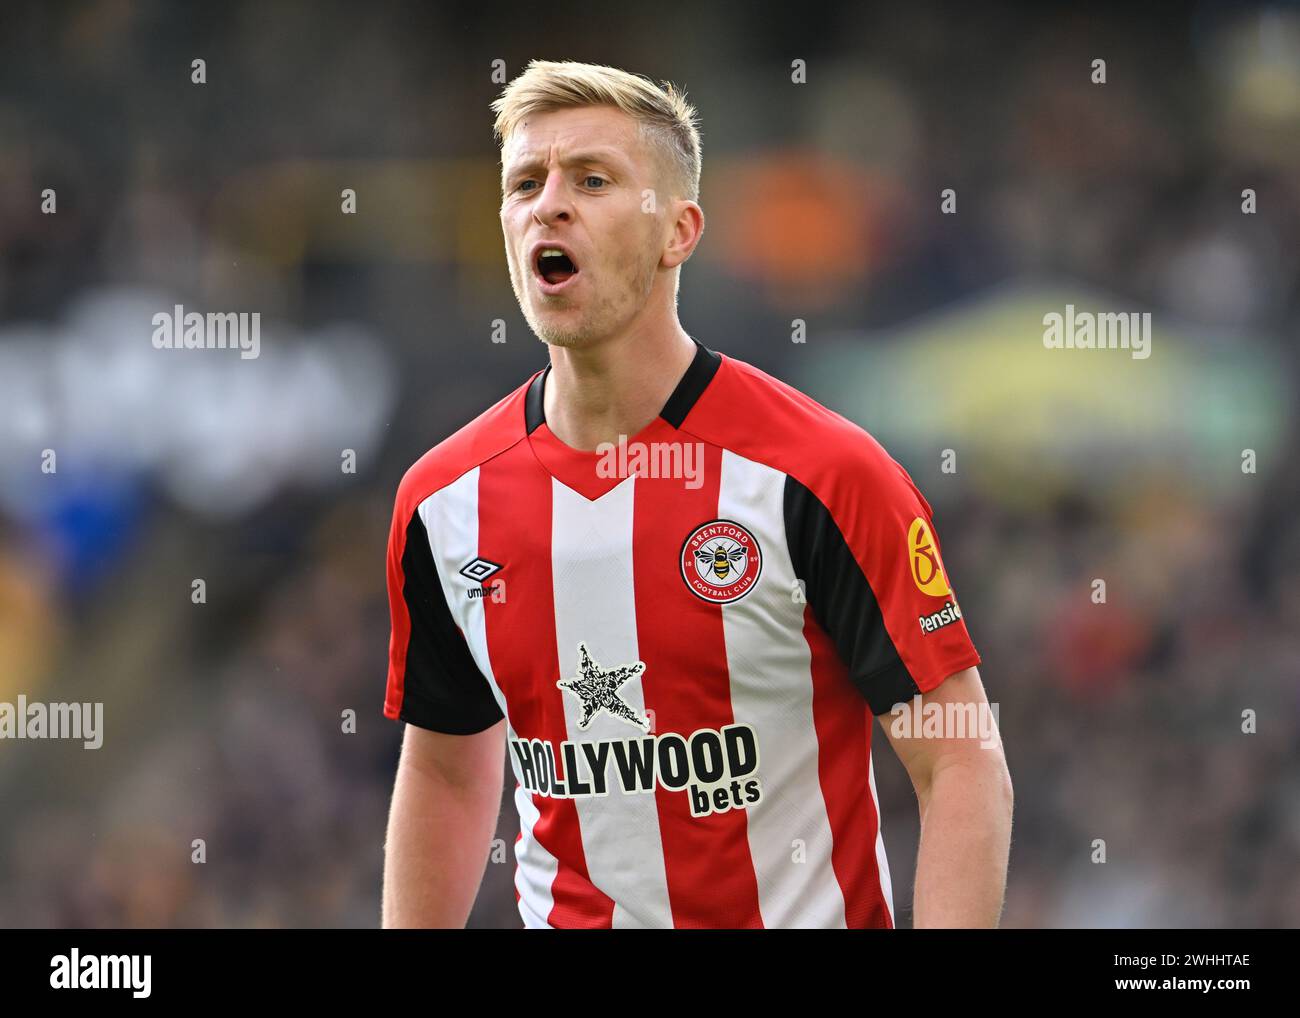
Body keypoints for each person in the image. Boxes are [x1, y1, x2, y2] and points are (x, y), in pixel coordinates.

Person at [381, 59, 1012, 928]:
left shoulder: (821, 474)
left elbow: (962, 761)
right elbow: (448, 771)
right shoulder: (443, 502)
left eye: (593, 180)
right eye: (526, 182)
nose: (549, 204)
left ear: (678, 231)